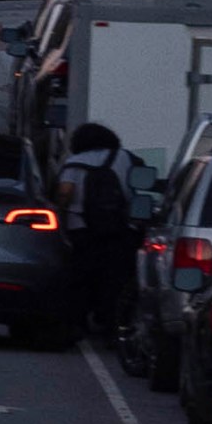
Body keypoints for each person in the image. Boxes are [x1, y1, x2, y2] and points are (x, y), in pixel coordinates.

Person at [64, 127, 142, 347]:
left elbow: (64, 193)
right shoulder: (125, 157)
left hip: (81, 229)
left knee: (82, 278)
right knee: (116, 280)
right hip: (120, 229)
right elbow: (140, 188)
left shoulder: (73, 163)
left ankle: (77, 323)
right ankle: (112, 326)